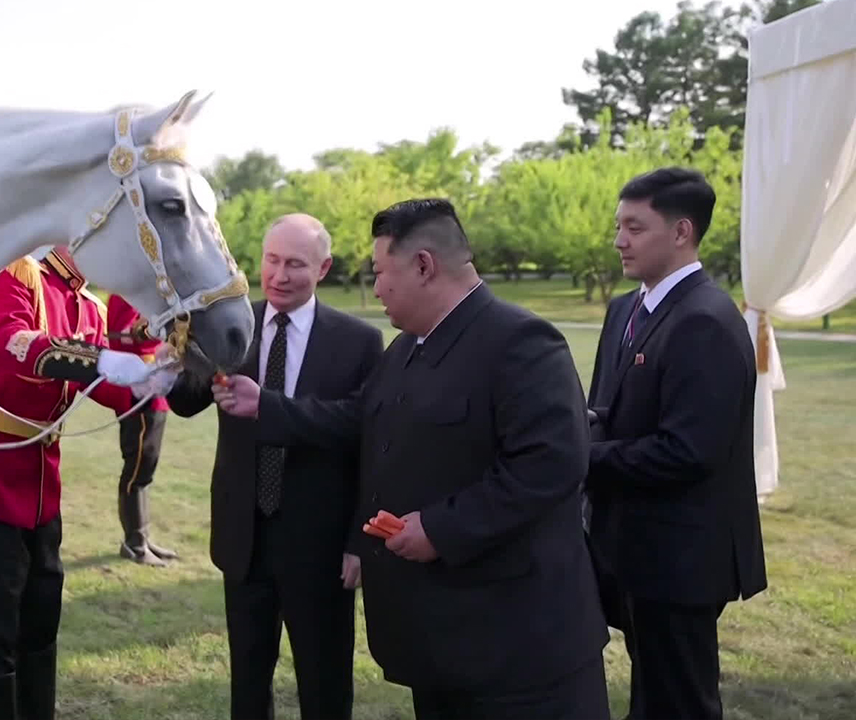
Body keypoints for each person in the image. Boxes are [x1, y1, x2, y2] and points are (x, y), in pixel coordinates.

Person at [214, 199, 611, 720]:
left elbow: (550, 467)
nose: (375, 289)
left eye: (381, 273)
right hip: (444, 641)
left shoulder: (521, 342)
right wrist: (267, 406)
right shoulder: (406, 350)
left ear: (424, 266)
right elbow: (357, 422)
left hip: (519, 646)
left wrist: (442, 529)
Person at [0, 248, 178, 720]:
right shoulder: (16, 272)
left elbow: (106, 384)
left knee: (41, 627)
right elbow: (13, 343)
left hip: (42, 483)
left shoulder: (90, 305)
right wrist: (103, 360)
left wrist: (147, 379)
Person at [167, 213, 383, 720]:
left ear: (324, 267)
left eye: (295, 264)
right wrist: (178, 350)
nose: (280, 275)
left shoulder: (358, 342)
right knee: (247, 681)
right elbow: (183, 402)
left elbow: (363, 434)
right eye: (271, 261)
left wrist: (359, 541)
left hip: (321, 548)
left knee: (324, 683)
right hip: (244, 540)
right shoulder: (232, 328)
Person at [585, 167, 767, 720]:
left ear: (682, 231)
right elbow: (606, 410)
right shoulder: (624, 309)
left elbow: (689, 451)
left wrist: (582, 458)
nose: (619, 240)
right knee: (651, 694)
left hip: (682, 557)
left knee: (679, 702)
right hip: (629, 544)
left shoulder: (706, 320)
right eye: (619, 226)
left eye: (635, 227)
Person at [105, 293, 178, 566]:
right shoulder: (127, 292)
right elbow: (118, 337)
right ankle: (134, 543)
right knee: (137, 468)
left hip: (157, 385)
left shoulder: (147, 289)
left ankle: (142, 537)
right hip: (138, 389)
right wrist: (161, 327)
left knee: (146, 469)